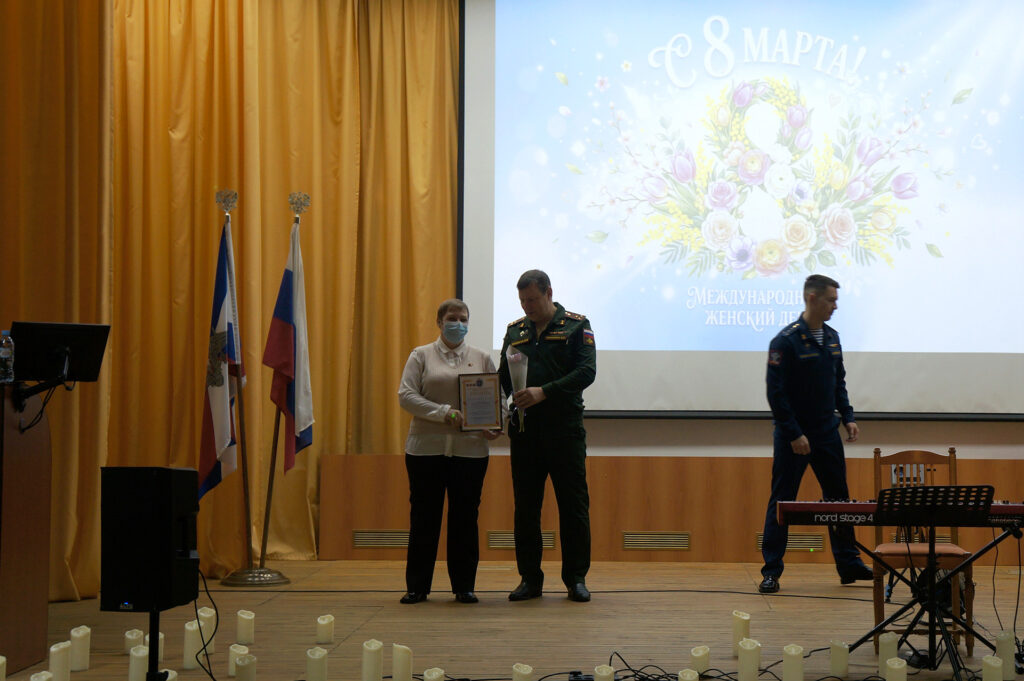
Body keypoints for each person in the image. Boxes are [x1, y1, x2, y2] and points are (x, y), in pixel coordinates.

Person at [758, 274, 872, 594]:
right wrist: (794, 433)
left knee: (839, 501)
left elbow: (838, 383)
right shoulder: (785, 341)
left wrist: (847, 416)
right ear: (811, 298)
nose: (835, 306)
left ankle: (848, 564)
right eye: (830, 300)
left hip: (826, 432)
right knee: (782, 501)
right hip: (793, 437)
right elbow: (776, 394)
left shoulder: (833, 338)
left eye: (836, 300)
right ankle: (771, 571)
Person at [498, 269, 596, 602]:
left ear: (549, 293)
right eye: (522, 301)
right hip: (525, 432)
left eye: (533, 299)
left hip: (564, 432)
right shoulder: (515, 331)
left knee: (573, 507)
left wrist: (545, 392)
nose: (527, 306)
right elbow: (503, 378)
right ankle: (530, 579)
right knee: (526, 509)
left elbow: (586, 372)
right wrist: (489, 410)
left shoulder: (576, 326)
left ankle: (576, 579)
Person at [397, 298, 502, 604]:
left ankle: (464, 586)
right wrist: (444, 413)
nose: (459, 324)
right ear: (439, 322)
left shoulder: (482, 358)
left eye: (463, 319)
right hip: (425, 451)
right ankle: (417, 587)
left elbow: (498, 399)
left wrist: (496, 424)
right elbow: (406, 396)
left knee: (465, 519)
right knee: (424, 519)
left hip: (470, 453)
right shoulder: (421, 355)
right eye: (452, 318)